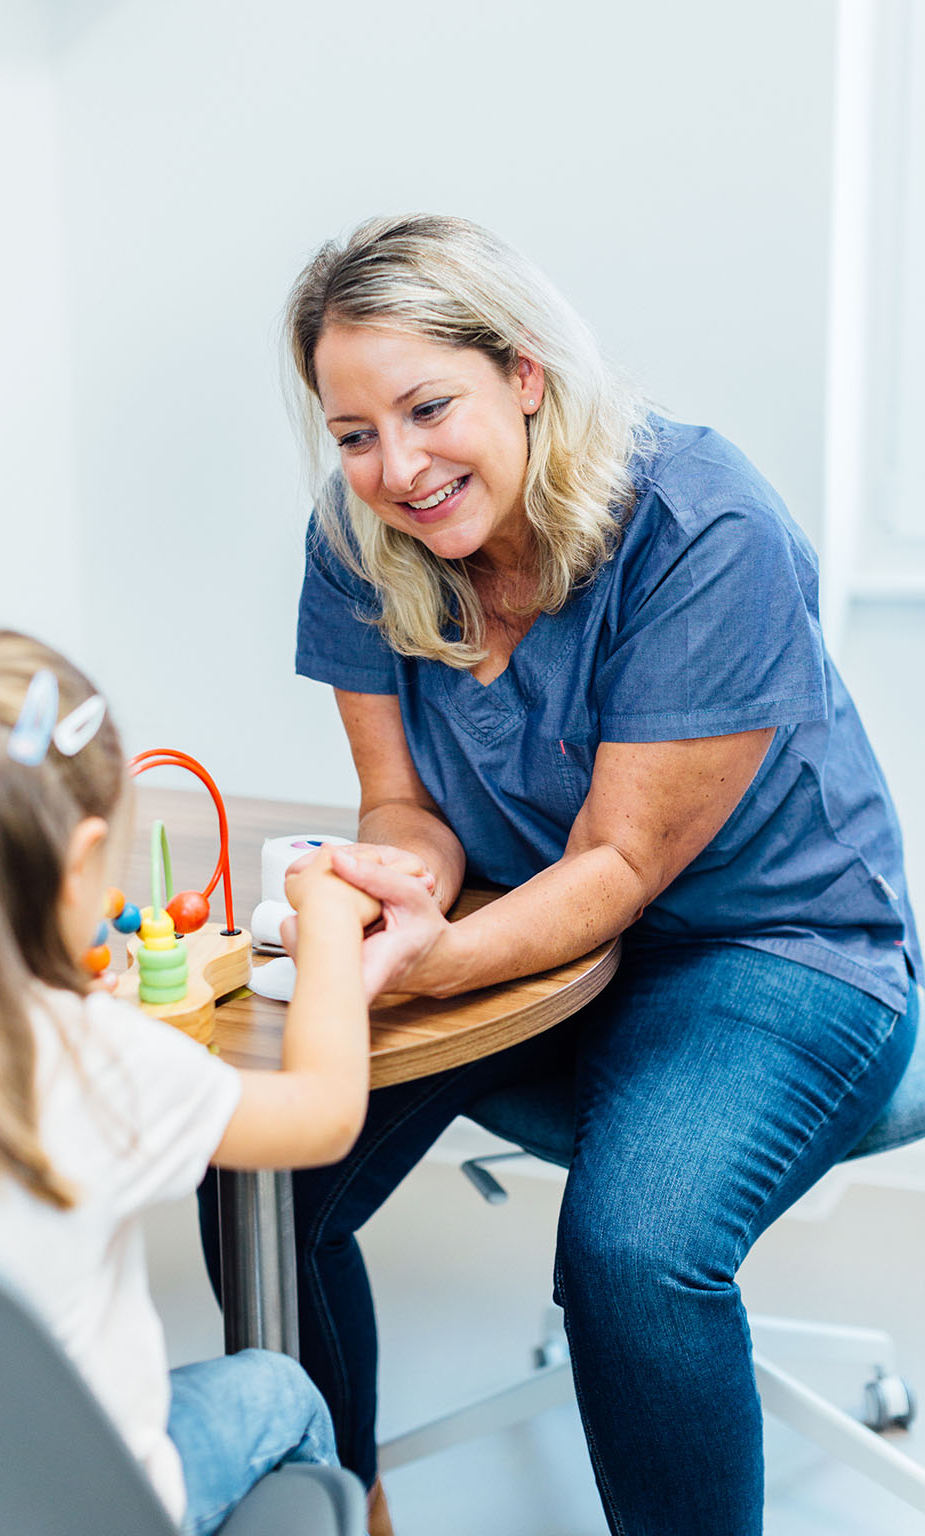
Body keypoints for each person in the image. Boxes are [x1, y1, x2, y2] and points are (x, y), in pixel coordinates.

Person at [276, 214, 922, 1536]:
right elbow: (405, 802)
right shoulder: (356, 540)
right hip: (534, 933)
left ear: (522, 372)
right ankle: (344, 1510)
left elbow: (622, 862)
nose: (395, 467)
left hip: (776, 952)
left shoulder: (698, 522)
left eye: (427, 407)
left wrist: (441, 957)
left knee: (634, 1255)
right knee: (269, 1186)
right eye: (353, 434)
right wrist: (396, 892)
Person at [0, 624, 411, 1536]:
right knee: (279, 1389)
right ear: (75, 870)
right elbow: (325, 1115)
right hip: (88, 1509)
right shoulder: (95, 1059)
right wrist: (329, 927)